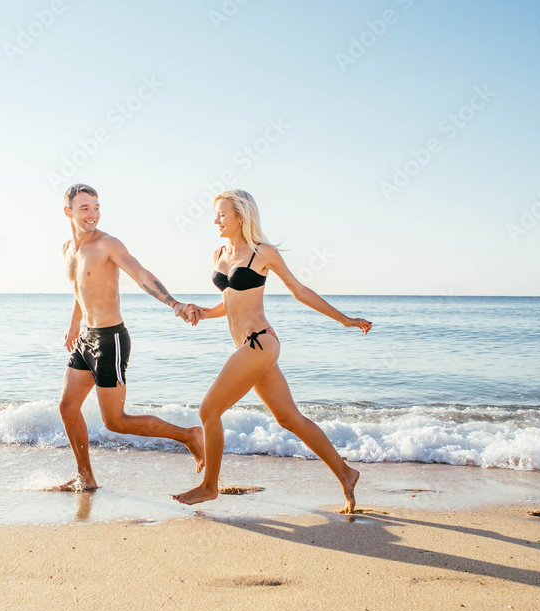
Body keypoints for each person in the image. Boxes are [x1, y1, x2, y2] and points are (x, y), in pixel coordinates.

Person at [172, 190, 371, 513]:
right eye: (216, 214)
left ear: (241, 215)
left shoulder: (263, 253)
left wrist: (345, 320)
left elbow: (299, 291)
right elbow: (231, 302)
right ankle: (346, 473)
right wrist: (203, 313)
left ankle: (210, 487)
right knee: (289, 418)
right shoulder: (219, 254)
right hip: (248, 348)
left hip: (259, 343)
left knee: (208, 411)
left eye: (222, 214)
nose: (216, 220)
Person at [52, 183, 204, 491]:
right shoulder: (68, 249)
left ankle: (190, 435)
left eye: (96, 207)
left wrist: (173, 303)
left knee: (115, 421)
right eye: (84, 208)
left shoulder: (108, 244)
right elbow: (81, 292)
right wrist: (73, 325)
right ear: (68, 212)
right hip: (86, 339)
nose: (92, 214)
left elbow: (140, 273)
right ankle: (86, 477)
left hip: (111, 341)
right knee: (67, 408)